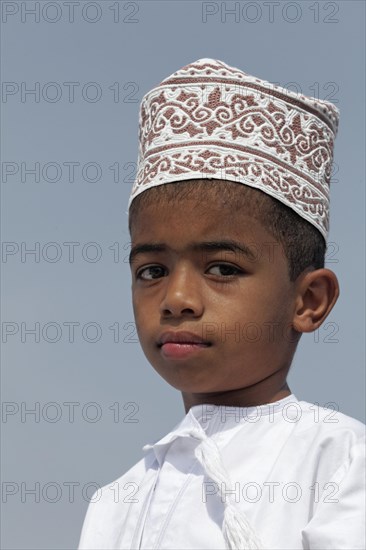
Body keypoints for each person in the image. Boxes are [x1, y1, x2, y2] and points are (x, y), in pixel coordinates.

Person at [77, 58, 365, 549]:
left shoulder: (339, 459)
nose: (178, 300)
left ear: (308, 300)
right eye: (152, 271)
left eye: (222, 269)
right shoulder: (116, 503)